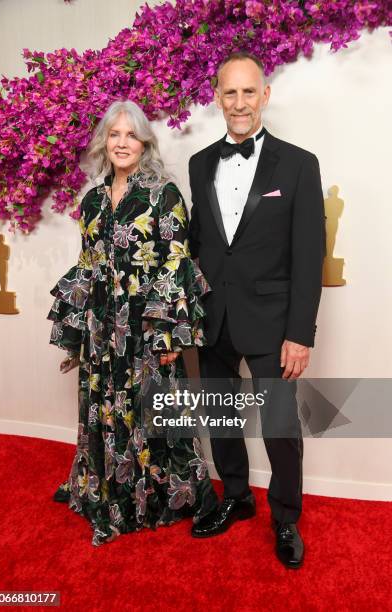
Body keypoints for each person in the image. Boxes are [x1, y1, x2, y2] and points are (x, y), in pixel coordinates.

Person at [47, 99, 218, 546]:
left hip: (146, 331)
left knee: (155, 413)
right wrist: (76, 329)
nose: (122, 143)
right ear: (105, 141)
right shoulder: (92, 201)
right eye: (114, 134)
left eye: (131, 135)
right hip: (103, 331)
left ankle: (156, 498)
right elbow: (86, 265)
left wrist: (169, 333)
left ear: (145, 142)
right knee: (105, 409)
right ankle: (105, 490)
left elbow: (175, 264)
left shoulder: (164, 194)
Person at [188, 52, 325, 568]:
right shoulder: (200, 163)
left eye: (249, 92)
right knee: (222, 420)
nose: (239, 103)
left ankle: (286, 518)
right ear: (217, 96)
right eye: (230, 93)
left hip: (273, 325)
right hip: (213, 318)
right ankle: (237, 498)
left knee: (280, 428)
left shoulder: (299, 163)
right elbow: (204, 242)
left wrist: (300, 333)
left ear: (264, 95)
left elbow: (308, 255)